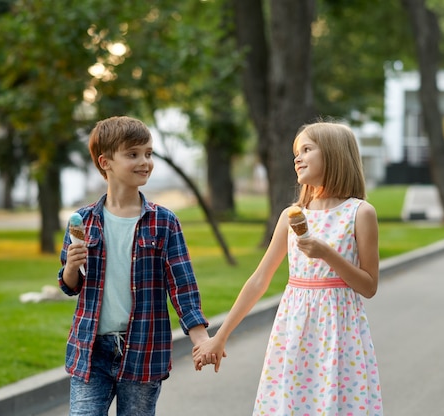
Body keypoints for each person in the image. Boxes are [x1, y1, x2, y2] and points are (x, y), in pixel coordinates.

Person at [193, 121, 383, 415]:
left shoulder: (360, 213)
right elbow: (259, 280)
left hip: (339, 330)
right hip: (294, 328)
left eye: (307, 149)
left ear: (333, 154)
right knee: (291, 404)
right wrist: (220, 336)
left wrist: (326, 254)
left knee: (335, 402)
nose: (297, 157)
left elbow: (369, 286)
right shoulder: (291, 215)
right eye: (296, 151)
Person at [58, 116, 210, 416]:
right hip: (91, 350)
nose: (145, 161)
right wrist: (72, 267)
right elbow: (69, 284)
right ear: (105, 162)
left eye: (148, 153)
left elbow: (182, 286)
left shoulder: (164, 222)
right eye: (133, 154)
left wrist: (201, 338)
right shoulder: (83, 221)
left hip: (143, 348)